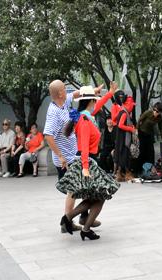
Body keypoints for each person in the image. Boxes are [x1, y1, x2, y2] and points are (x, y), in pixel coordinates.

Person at [58, 82, 120, 241]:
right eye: (95, 99)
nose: (96, 103)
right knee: (101, 196)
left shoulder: (84, 115)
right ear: (90, 101)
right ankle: (80, 225)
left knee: (95, 198)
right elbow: (84, 146)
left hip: (89, 161)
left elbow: (97, 106)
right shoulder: (84, 120)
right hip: (88, 162)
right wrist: (85, 168)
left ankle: (73, 221)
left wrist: (109, 93)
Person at [44, 80, 103, 233]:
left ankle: (82, 217)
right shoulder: (53, 112)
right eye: (65, 88)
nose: (68, 91)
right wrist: (60, 156)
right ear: (60, 93)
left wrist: (94, 91)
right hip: (65, 159)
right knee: (73, 190)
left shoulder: (63, 102)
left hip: (72, 155)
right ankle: (66, 222)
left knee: (81, 186)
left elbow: (76, 94)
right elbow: (48, 136)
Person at [136, 102, 162, 174]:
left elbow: (160, 127)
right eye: (155, 110)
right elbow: (140, 120)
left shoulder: (159, 118)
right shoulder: (147, 113)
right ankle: (139, 170)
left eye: (158, 112)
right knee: (142, 151)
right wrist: (136, 130)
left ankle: (151, 168)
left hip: (149, 134)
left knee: (151, 152)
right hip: (142, 133)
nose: (156, 113)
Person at [115, 93, 136, 182]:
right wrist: (131, 129)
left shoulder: (123, 111)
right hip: (124, 138)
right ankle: (127, 174)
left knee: (122, 156)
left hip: (121, 138)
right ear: (127, 104)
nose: (133, 107)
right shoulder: (124, 113)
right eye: (132, 105)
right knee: (125, 156)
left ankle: (119, 174)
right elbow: (120, 125)